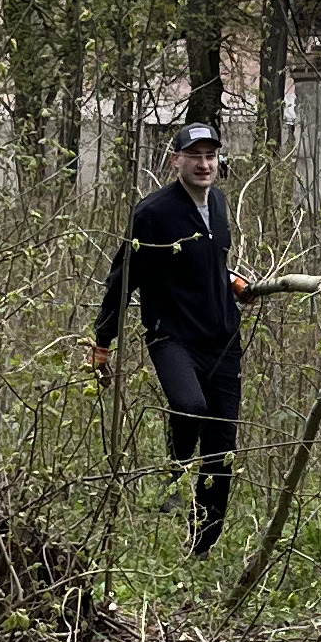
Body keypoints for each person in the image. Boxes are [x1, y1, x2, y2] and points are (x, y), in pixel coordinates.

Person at [89, 122, 252, 556]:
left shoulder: (217, 203)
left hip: (222, 342)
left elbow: (211, 261)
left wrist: (232, 282)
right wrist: (103, 341)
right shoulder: (153, 213)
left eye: (211, 156)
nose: (204, 164)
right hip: (172, 336)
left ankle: (201, 546)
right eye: (194, 156)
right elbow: (123, 279)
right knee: (189, 406)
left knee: (221, 450)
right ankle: (176, 472)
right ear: (175, 160)